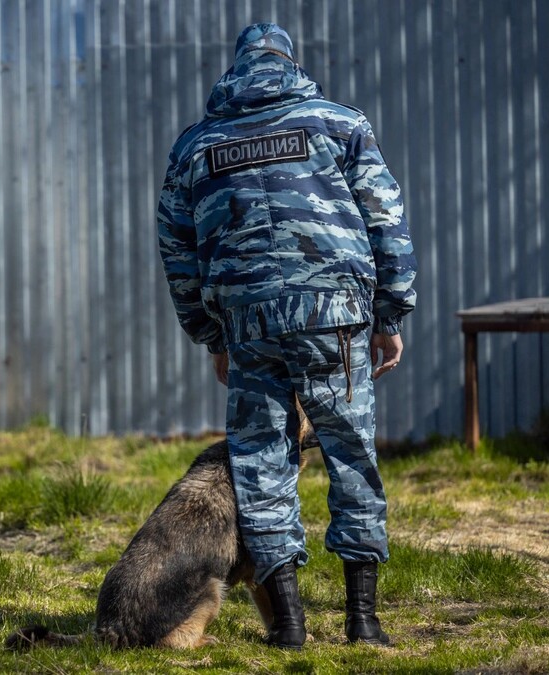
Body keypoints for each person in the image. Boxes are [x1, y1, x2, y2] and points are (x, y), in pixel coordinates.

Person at [156, 23, 417, 649]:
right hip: (335, 317)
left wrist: (209, 332)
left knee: (262, 466)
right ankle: (364, 622)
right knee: (351, 455)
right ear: (291, 65)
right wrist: (390, 313)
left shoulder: (197, 144)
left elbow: (177, 248)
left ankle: (291, 629)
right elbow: (384, 218)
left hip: (248, 323)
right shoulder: (341, 123)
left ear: (237, 68)